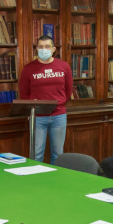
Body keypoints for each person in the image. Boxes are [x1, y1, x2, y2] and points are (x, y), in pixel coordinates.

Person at [19, 35, 73, 164]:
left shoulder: (63, 66)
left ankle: (56, 176)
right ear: (36, 49)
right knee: (36, 153)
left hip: (59, 115)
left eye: (47, 46)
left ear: (54, 49)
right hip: (37, 117)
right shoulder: (28, 68)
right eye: (41, 47)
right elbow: (24, 93)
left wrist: (60, 103)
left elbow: (68, 89)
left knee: (58, 153)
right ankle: (36, 175)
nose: (44, 49)